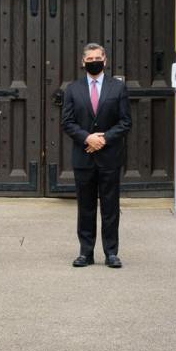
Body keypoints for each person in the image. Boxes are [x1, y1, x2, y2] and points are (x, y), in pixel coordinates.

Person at [61, 43, 132, 268]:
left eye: (97, 58)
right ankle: (86, 252)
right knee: (86, 207)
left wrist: (103, 139)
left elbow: (125, 122)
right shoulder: (73, 89)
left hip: (109, 157)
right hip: (83, 157)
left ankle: (111, 253)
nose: (94, 62)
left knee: (110, 207)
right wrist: (87, 138)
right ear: (83, 62)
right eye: (90, 59)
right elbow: (67, 122)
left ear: (105, 60)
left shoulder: (118, 88)